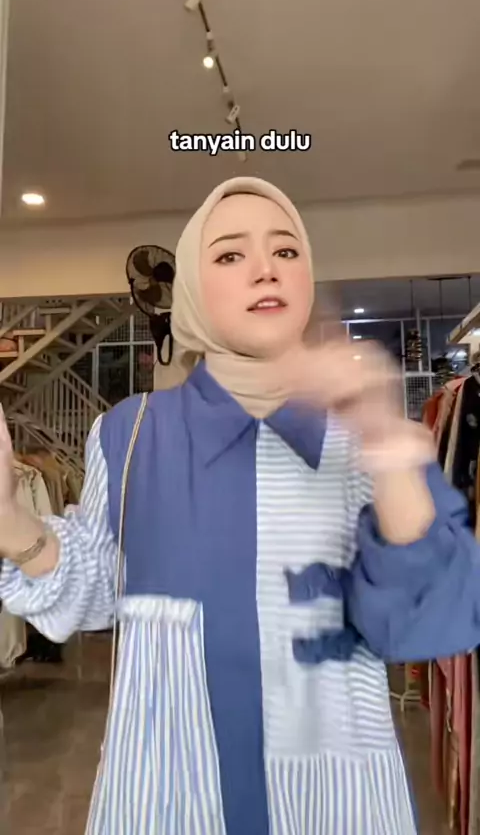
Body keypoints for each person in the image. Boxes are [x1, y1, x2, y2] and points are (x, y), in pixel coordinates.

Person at [0, 176, 478, 835]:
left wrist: (387, 451)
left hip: (336, 804)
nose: (265, 269)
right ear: (193, 289)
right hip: (167, 799)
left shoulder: (366, 438)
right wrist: (10, 520)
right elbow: (94, 592)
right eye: (229, 254)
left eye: (286, 251)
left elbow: (426, 630)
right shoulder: (129, 434)